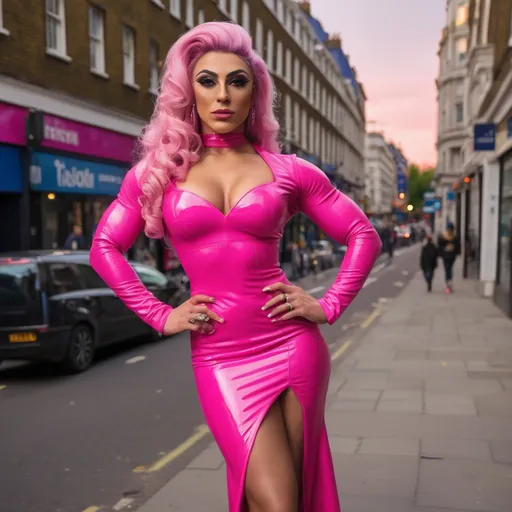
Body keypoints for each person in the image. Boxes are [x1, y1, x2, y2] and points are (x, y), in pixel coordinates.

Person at [90, 22, 382, 512]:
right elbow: (104, 246)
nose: (222, 95)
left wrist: (330, 304)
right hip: (221, 355)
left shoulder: (290, 170)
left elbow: (363, 235)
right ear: (189, 92)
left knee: (298, 493)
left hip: (292, 345)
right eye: (207, 81)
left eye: (237, 81)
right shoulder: (159, 173)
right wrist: (159, 314)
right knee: (275, 500)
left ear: (255, 93)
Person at [437, 221, 460, 293]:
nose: (449, 230)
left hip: (449, 255)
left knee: (448, 269)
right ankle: (449, 283)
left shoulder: (445, 236)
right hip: (447, 255)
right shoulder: (451, 237)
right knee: (448, 269)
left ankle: (448, 283)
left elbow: (457, 247)